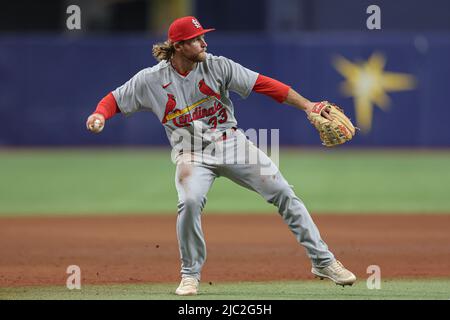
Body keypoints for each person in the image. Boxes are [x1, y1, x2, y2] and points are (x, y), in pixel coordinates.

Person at [86, 16, 356, 296]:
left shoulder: (218, 65)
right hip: (190, 152)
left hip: (233, 143)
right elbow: (115, 100)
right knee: (189, 202)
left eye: (203, 36)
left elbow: (264, 84)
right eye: (196, 38)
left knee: (284, 192)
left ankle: (323, 261)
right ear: (178, 46)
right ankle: (189, 275)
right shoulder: (151, 79)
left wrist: (307, 105)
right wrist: (99, 114)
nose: (203, 42)